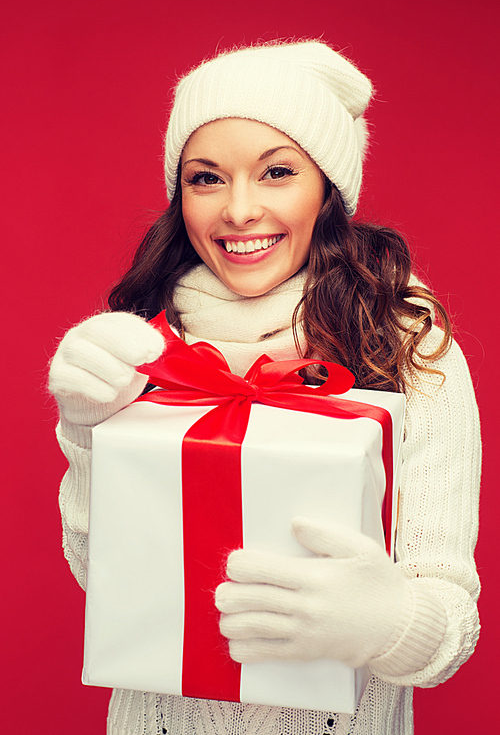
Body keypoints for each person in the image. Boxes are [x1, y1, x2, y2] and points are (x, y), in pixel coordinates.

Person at [48, 41, 481, 735]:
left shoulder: (407, 342)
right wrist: (84, 429)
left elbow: (452, 628)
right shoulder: (141, 342)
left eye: (277, 172)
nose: (239, 211)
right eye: (206, 178)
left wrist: (390, 623)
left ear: (327, 189)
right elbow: (102, 581)